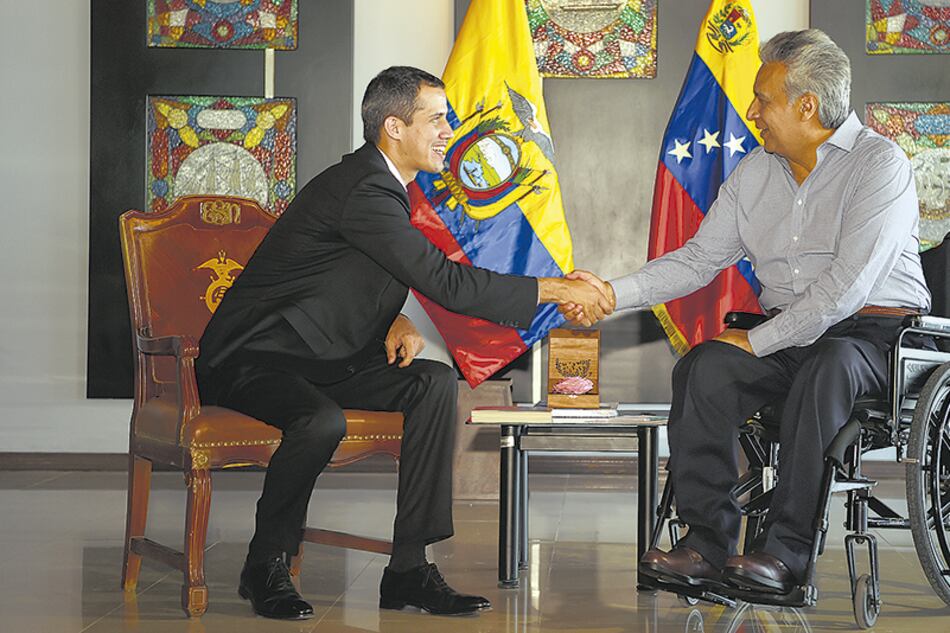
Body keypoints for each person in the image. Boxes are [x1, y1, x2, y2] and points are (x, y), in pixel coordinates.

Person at [196, 66, 612, 620]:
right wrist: (555, 286)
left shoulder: (382, 185)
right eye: (436, 119)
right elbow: (445, 281)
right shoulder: (365, 188)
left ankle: (409, 569)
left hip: (322, 353)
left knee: (433, 383)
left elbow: (344, 271)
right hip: (257, 357)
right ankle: (264, 562)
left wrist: (390, 319)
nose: (449, 130)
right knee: (321, 420)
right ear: (394, 127)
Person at [568, 29, 930, 595]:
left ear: (806, 105)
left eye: (764, 99)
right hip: (789, 334)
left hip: (876, 337)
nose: (752, 111)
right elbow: (696, 260)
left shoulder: (879, 166)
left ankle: (785, 557)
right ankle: (704, 546)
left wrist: (759, 343)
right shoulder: (756, 172)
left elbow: (843, 292)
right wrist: (612, 292)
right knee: (704, 367)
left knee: (828, 363)